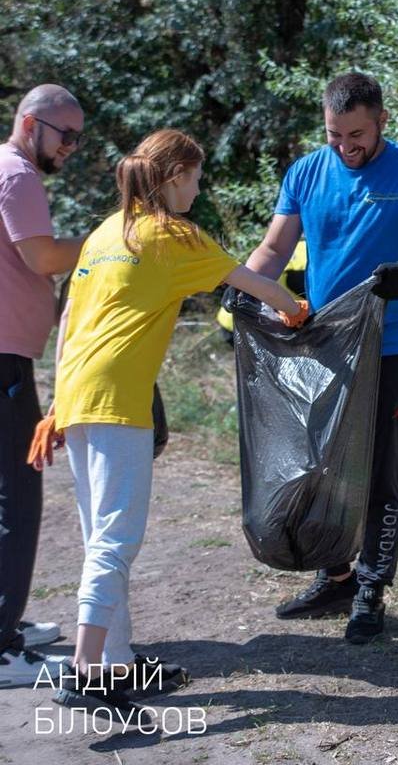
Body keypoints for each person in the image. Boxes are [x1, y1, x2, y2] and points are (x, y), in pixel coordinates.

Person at [27, 128, 308, 721]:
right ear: (175, 176)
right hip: (118, 399)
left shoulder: (106, 232)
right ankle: (83, 675)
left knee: (100, 534)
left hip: (76, 393)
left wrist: (54, 403)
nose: (199, 189)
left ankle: (116, 663)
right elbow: (257, 285)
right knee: (114, 540)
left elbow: (70, 318)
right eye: (197, 177)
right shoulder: (176, 236)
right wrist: (296, 311)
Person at [246, 72, 398, 644]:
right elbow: (274, 248)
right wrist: (242, 286)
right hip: (322, 346)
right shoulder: (306, 172)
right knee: (322, 464)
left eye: (357, 134)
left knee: (379, 472)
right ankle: (335, 575)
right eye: (335, 134)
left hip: (389, 349)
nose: (345, 146)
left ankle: (371, 588)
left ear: (382, 120)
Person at [0, 84, 89, 686]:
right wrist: (110, 242)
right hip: (2, 358)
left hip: (9, 353)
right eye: (67, 136)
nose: (72, 149)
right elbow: (42, 258)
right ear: (32, 125)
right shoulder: (18, 176)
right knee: (17, 494)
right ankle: (2, 646)